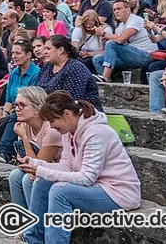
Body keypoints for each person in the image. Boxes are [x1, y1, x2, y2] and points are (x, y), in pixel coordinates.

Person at [20, 91, 141, 244]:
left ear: (67, 114)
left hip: (119, 192)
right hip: (97, 186)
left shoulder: (97, 133)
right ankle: (33, 240)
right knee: (42, 182)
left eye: (53, 121)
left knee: (60, 192)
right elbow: (67, 166)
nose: (51, 126)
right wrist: (36, 164)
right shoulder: (68, 131)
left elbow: (86, 177)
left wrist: (42, 170)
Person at [6, 87, 62, 209]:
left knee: (28, 179)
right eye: (16, 105)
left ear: (37, 109)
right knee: (15, 176)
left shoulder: (51, 130)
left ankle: (37, 224)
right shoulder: (24, 125)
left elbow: (36, 167)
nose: (17, 109)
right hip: (39, 169)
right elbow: (21, 161)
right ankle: (24, 222)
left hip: (59, 171)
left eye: (22, 105)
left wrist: (24, 138)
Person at [93, 0, 157, 83]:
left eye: (119, 9)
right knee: (97, 59)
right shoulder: (120, 26)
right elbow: (118, 41)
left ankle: (104, 78)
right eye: (114, 10)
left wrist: (104, 33)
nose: (116, 12)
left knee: (111, 44)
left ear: (128, 10)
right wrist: (108, 37)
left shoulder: (135, 19)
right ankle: (106, 85)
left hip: (146, 55)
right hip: (130, 57)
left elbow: (120, 39)